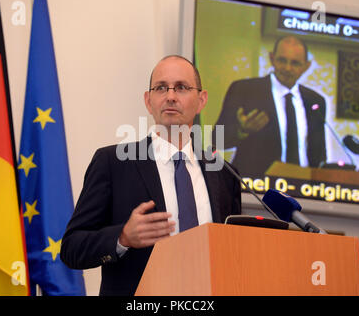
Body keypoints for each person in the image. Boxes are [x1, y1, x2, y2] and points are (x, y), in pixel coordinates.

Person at [60, 55, 242, 296]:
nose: (170, 96)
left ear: (201, 100)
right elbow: (72, 248)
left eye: (181, 87)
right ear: (148, 101)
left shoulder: (224, 174)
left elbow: (234, 254)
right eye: (160, 88)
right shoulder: (113, 163)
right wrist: (122, 237)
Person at [214, 36, 327, 178]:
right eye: (282, 60)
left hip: (303, 189)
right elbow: (216, 139)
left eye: (295, 63)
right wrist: (242, 130)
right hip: (256, 188)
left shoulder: (315, 101)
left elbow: (319, 153)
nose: (287, 68)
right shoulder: (244, 90)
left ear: (306, 66)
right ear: (272, 58)